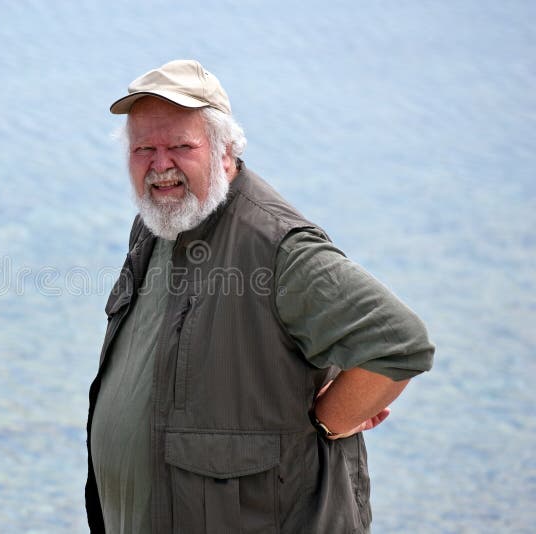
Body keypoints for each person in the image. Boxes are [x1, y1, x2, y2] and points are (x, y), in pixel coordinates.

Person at [85, 59, 434, 533]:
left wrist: (330, 421)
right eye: (144, 148)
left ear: (225, 152)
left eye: (181, 146)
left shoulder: (275, 245)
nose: (160, 165)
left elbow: (400, 344)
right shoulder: (159, 224)